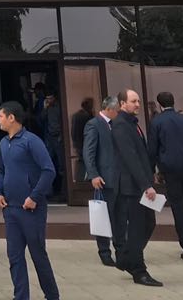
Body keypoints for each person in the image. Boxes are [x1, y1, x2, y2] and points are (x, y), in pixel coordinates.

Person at [0, 101, 58, 300]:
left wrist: (34, 196)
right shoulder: (3, 143)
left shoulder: (31, 141)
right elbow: (1, 170)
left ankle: (52, 295)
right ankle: (21, 296)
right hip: (10, 208)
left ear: (11, 117)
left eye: (1, 116)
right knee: (14, 256)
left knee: (38, 255)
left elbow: (49, 170)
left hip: (31, 209)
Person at [147, 90, 183, 261]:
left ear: (159, 105)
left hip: (170, 169)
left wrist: (151, 171)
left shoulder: (157, 122)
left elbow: (152, 149)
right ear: (173, 102)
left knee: (178, 206)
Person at [112, 89, 160, 287]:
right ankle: (139, 271)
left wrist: (151, 175)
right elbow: (130, 158)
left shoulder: (132, 123)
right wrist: (145, 185)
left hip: (140, 183)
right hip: (132, 187)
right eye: (133, 101)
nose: (137, 104)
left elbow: (141, 155)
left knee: (148, 223)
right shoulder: (120, 125)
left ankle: (125, 259)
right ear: (122, 103)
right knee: (138, 228)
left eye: (138, 101)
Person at [82, 95, 120, 267]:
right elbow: (88, 152)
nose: (119, 114)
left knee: (119, 216)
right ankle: (104, 251)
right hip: (104, 178)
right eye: (117, 111)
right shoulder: (94, 124)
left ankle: (121, 249)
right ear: (109, 109)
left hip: (119, 178)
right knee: (104, 216)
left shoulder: (116, 124)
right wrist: (94, 174)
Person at [41, 94, 64, 196]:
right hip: (49, 137)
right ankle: (49, 191)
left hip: (58, 137)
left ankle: (64, 191)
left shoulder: (59, 107)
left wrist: (61, 136)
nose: (48, 100)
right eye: (47, 98)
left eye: (50, 98)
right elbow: (41, 119)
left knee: (61, 165)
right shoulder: (48, 108)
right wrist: (45, 108)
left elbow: (63, 122)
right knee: (47, 164)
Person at [70, 99, 94, 182]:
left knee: (82, 161)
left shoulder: (76, 116)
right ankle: (86, 179)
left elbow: (73, 132)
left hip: (79, 143)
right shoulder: (87, 117)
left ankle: (79, 179)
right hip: (85, 143)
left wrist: (75, 143)